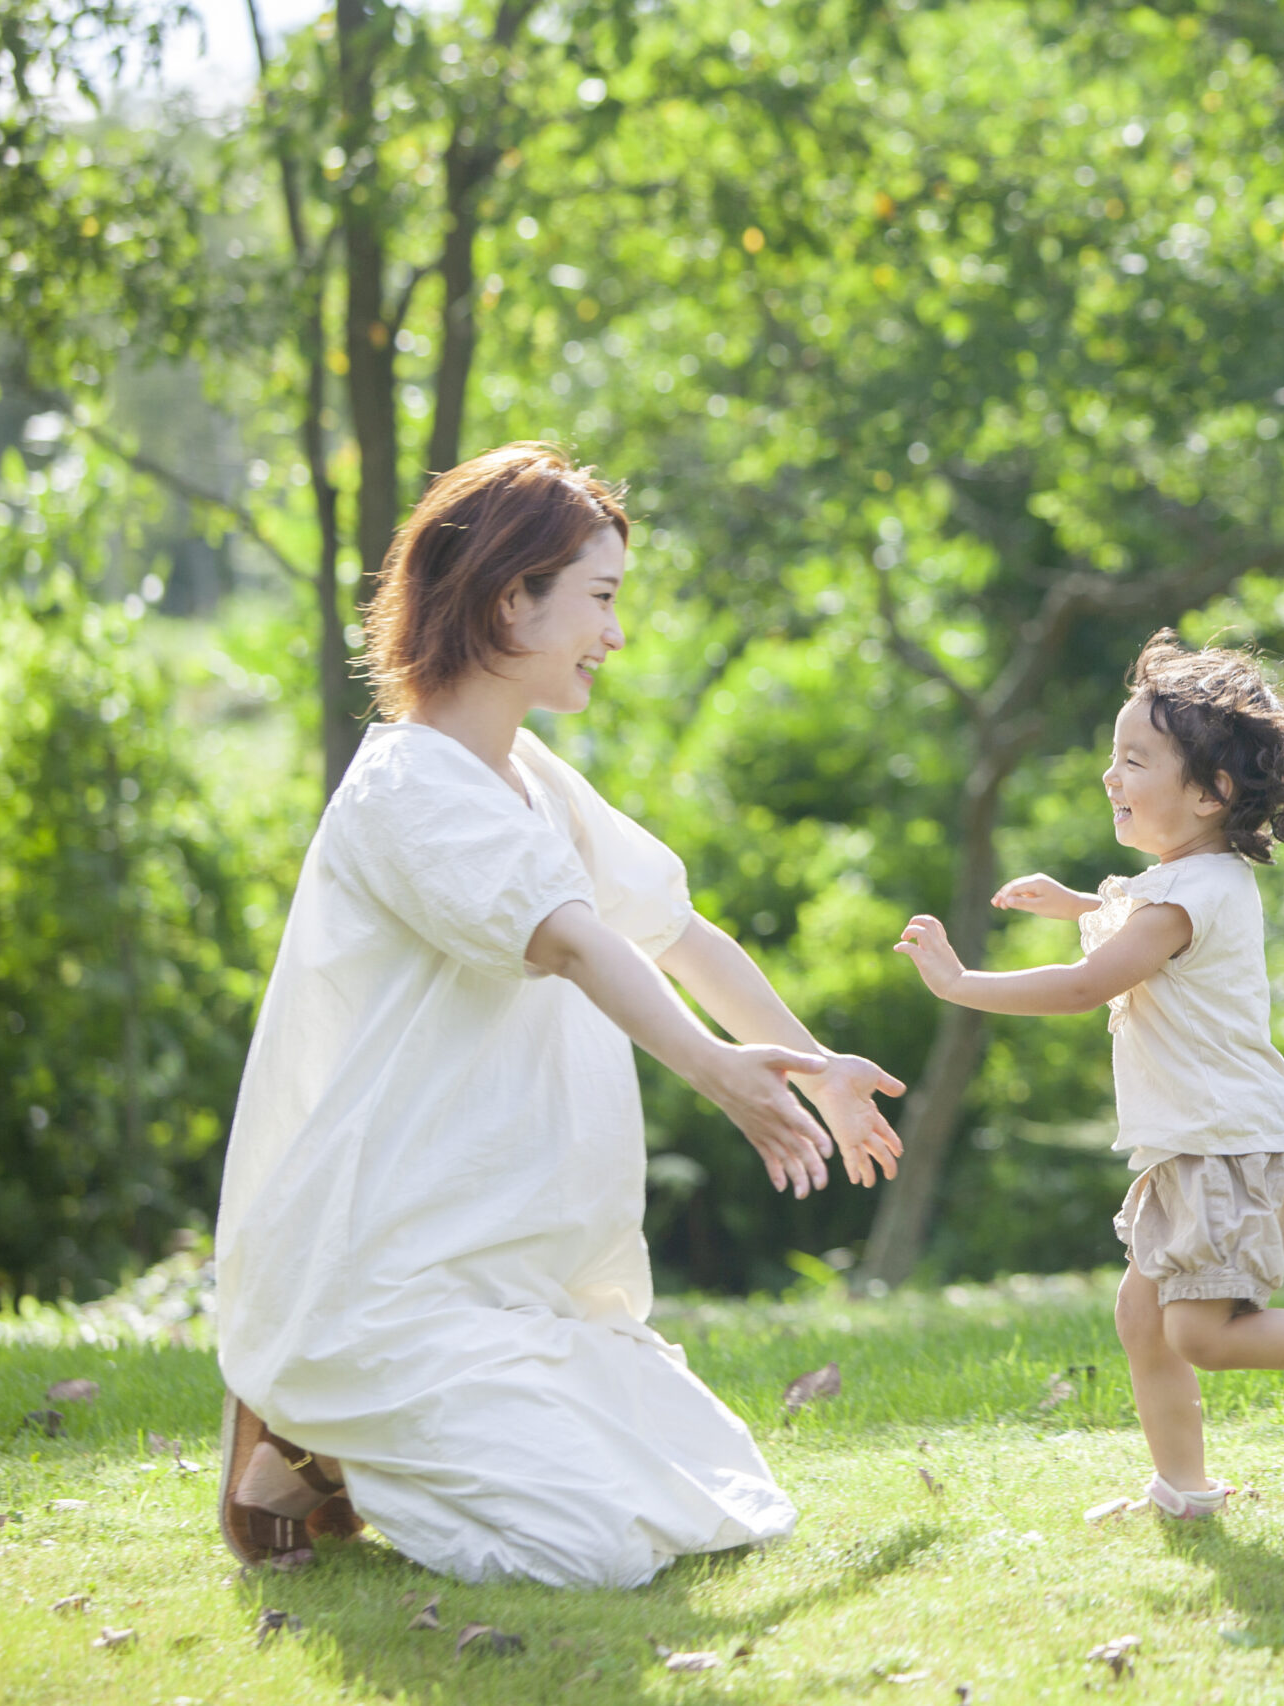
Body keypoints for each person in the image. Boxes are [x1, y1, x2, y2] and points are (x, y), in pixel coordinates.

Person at [214, 443, 905, 1587]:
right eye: (600, 598)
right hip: (384, 1278)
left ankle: (350, 1434)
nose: (615, 634)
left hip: (515, 1278)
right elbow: (575, 938)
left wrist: (819, 1063)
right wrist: (716, 1068)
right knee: (586, 1547)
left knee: (721, 1504)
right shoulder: (407, 789)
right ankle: (305, 1413)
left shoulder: (528, 774)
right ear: (507, 597)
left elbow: (675, 931)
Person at [894, 629, 1284, 1519]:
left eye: (1133, 760)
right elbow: (1136, 923)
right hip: (1199, 1148)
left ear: (1210, 792)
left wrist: (962, 983)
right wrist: (1081, 902)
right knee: (1143, 1319)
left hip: (1225, 1152)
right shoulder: (1190, 883)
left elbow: (1088, 985)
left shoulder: (1186, 897)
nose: (1110, 777)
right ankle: (1183, 1492)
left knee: (1202, 1334)